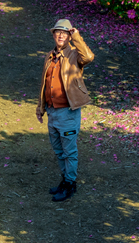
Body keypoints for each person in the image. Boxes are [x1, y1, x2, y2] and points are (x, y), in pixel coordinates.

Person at [35, 19, 94, 203]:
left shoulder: (75, 55)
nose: (60, 35)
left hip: (68, 112)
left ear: (69, 36)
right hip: (52, 112)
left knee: (69, 152)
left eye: (65, 32)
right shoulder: (49, 56)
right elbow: (44, 84)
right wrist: (41, 107)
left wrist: (76, 35)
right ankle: (65, 180)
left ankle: (70, 184)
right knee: (59, 151)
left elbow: (89, 57)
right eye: (57, 32)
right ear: (53, 35)